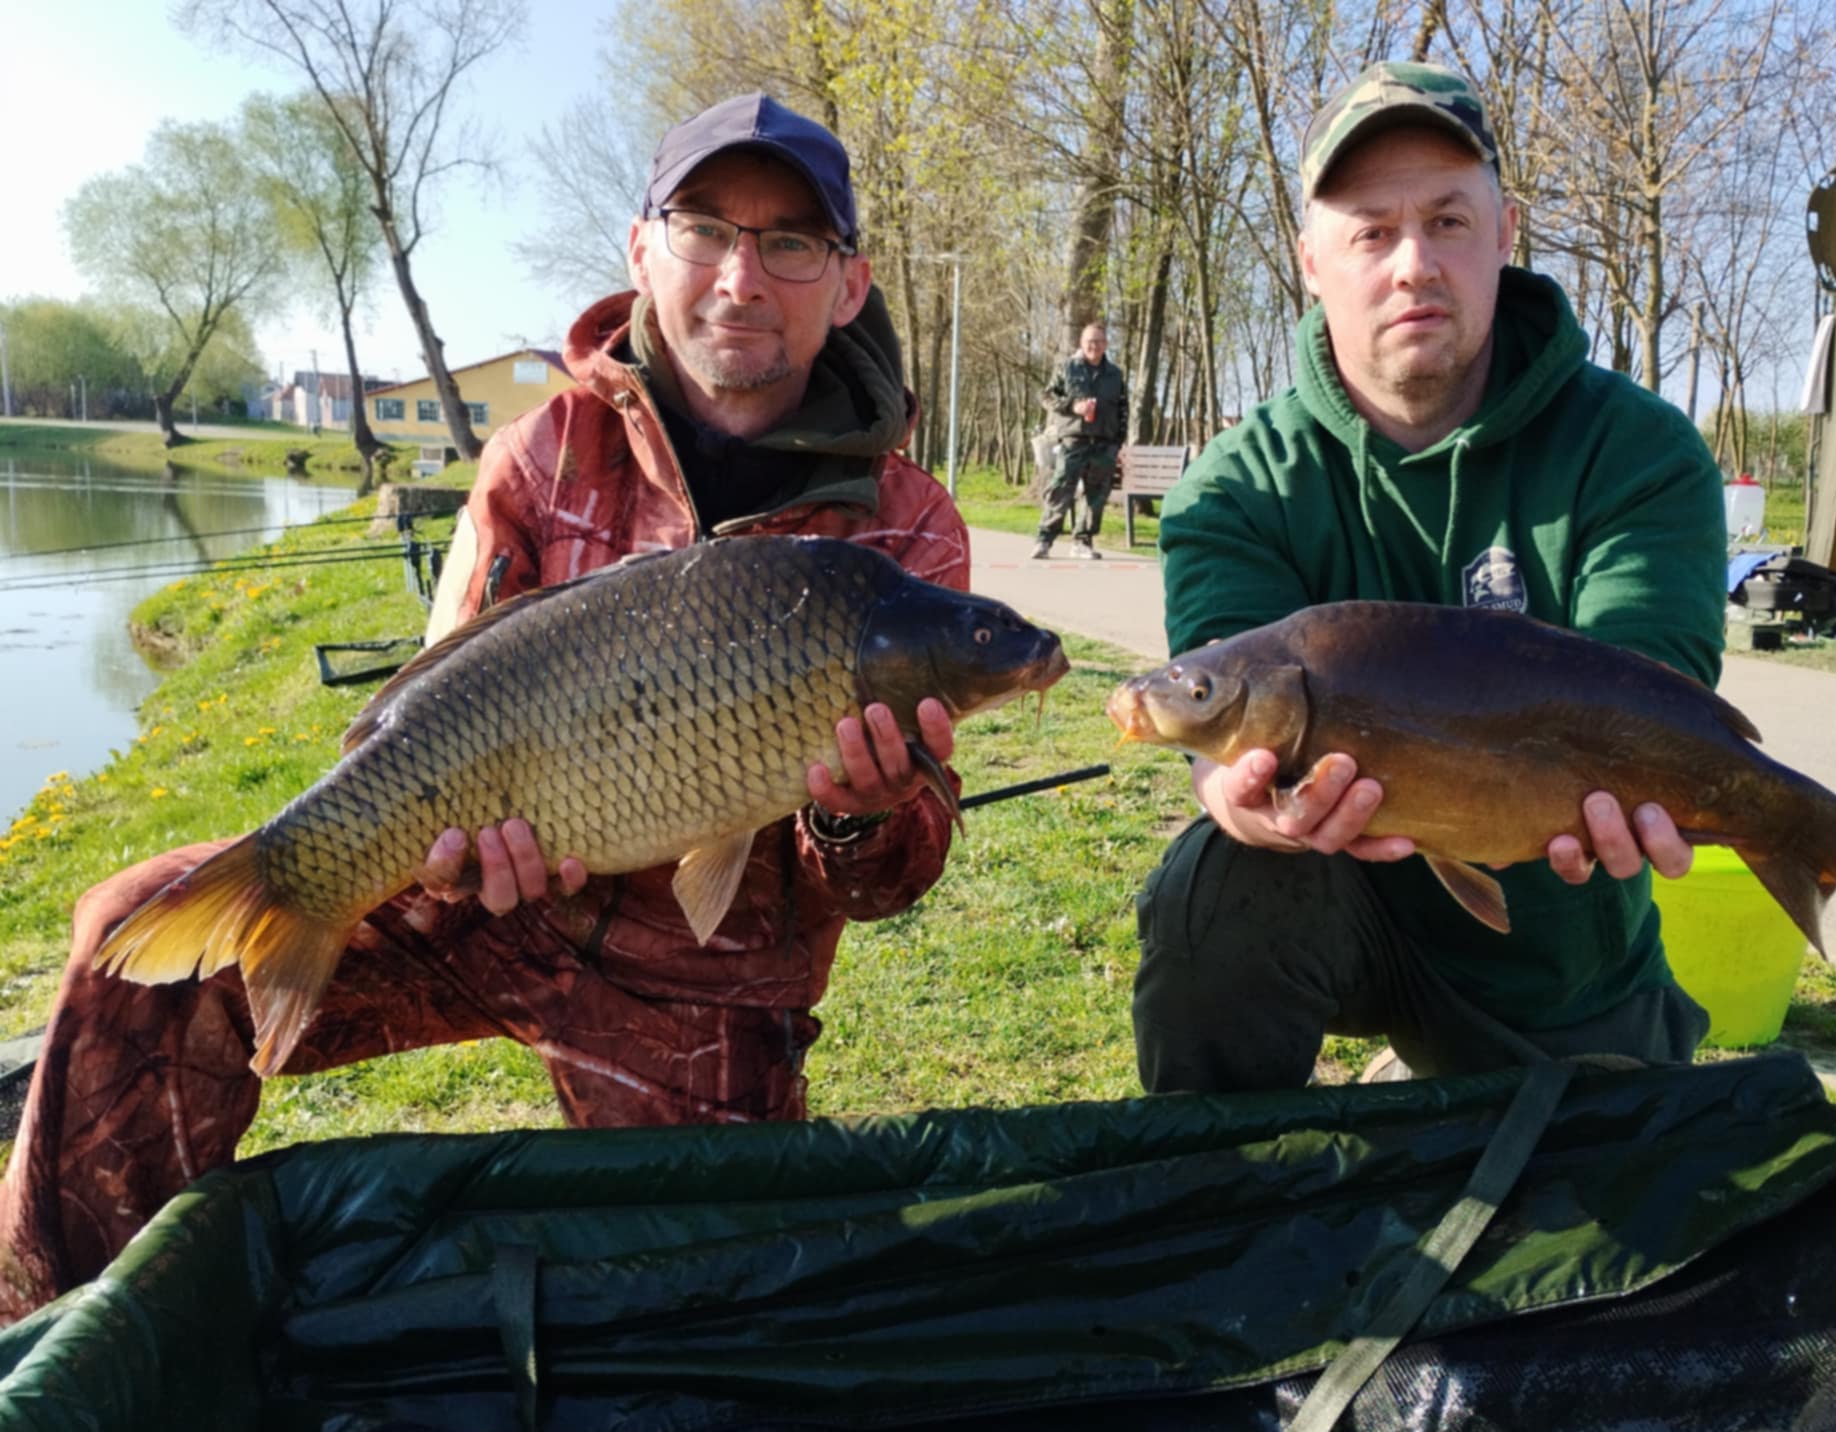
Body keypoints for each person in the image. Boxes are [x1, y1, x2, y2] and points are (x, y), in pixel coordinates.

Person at [0, 93, 972, 1323]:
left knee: (705, 1315)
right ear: (640, 252)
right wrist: (452, 861)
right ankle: (59, 1367)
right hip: (470, 909)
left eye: (789, 242)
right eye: (705, 229)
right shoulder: (541, 456)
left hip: (702, 982)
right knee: (136, 944)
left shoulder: (907, 530)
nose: (739, 276)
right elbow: (423, 729)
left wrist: (856, 821)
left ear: (845, 284)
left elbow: (887, 886)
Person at [1130, 62, 1729, 1093]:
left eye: (1447, 220)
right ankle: (1224, 1186)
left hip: (1559, 932)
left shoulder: (1638, 450)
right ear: (1310, 261)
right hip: (1331, 907)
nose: (1412, 263)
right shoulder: (1233, 489)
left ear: (1503, 235)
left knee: (1597, 1223)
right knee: (1213, 884)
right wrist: (1231, 798)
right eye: (1369, 230)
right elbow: (1225, 703)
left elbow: (1650, 686)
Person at [1034, 323, 1128, 559]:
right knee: (1061, 489)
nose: (1093, 346)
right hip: (1074, 439)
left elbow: (1123, 408)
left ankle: (1083, 541)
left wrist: (1119, 441)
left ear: (1106, 345)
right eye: (1089, 341)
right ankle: (1044, 539)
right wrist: (1072, 406)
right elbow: (1045, 396)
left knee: (1096, 495)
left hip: (1104, 442)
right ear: (1081, 343)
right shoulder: (1067, 368)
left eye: (1098, 341)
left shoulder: (1115, 374)